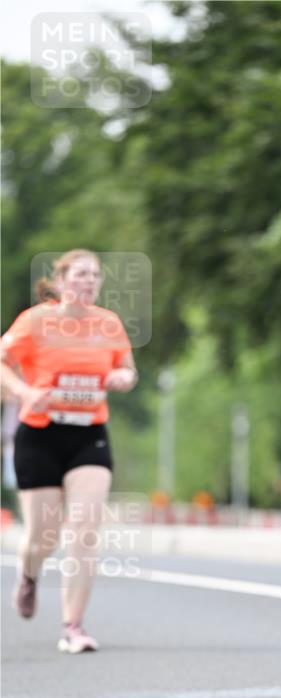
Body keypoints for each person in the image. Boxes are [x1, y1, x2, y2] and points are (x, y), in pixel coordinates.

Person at [0, 249, 137, 652]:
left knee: (84, 532)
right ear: (60, 282)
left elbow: (130, 370)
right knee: (42, 538)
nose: (89, 281)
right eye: (80, 274)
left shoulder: (108, 324)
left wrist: (121, 377)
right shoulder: (36, 321)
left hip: (88, 435)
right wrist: (25, 391)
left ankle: (72, 627)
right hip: (39, 436)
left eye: (95, 275)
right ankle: (28, 574)